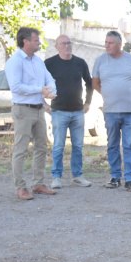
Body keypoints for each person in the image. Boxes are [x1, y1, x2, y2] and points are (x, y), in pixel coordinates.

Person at [6, 27, 58, 200]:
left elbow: (50, 79)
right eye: (36, 40)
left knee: (41, 147)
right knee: (21, 149)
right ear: (25, 41)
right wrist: (40, 90)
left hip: (38, 109)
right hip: (23, 109)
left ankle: (38, 183)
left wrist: (50, 91)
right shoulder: (15, 61)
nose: (39, 43)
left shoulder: (38, 61)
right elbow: (16, 86)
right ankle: (20, 187)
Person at [92, 30, 131, 191]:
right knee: (112, 145)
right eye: (106, 42)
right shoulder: (100, 61)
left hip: (130, 111)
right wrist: (109, 94)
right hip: (110, 111)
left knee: (129, 145)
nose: (107, 45)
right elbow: (95, 83)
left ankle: (130, 179)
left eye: (111, 43)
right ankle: (115, 177)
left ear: (119, 44)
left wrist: (127, 94)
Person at [44, 35, 93, 189]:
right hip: (59, 111)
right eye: (63, 43)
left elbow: (89, 83)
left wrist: (88, 102)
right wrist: (44, 104)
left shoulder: (80, 63)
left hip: (78, 111)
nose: (67, 46)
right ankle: (56, 177)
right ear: (56, 46)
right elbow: (39, 83)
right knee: (58, 146)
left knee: (78, 146)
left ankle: (77, 176)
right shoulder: (49, 63)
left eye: (69, 43)